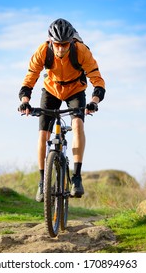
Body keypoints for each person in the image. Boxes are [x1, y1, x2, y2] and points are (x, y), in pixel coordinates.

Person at [18, 18, 105, 202]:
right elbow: (30, 77)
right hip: (51, 90)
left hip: (75, 90)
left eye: (64, 45)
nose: (60, 49)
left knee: (78, 125)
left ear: (71, 42)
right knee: (43, 134)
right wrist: (25, 101)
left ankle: (77, 177)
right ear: (51, 41)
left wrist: (94, 101)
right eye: (57, 44)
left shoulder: (81, 51)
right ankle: (43, 182)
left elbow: (97, 79)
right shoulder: (43, 50)